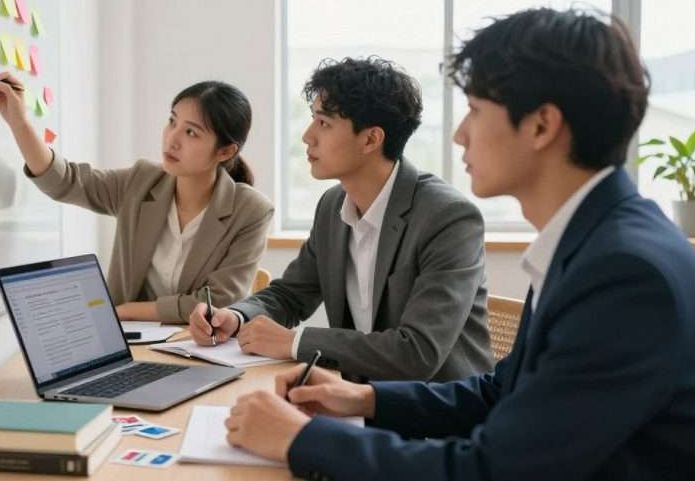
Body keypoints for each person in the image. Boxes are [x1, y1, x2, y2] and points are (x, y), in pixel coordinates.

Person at [224, 8, 695, 480]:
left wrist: (300, 439)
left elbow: (497, 469)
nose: (459, 134)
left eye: (475, 111)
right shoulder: (595, 241)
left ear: (542, 125)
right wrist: (366, 398)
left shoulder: (624, 273)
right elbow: (504, 391)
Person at [190, 57, 492, 382]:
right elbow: (291, 295)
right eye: (312, 120)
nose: (307, 136)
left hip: (434, 415)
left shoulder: (448, 218)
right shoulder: (333, 206)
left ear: (370, 139)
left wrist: (295, 342)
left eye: (324, 123)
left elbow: (417, 352)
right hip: (354, 398)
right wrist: (235, 316)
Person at [0, 74, 273, 323]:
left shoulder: (251, 212)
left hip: (202, 350)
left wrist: (127, 311)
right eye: (172, 121)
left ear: (225, 152)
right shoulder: (141, 181)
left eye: (190, 132)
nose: (172, 139)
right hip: (131, 347)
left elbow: (216, 303)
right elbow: (64, 181)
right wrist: (19, 121)